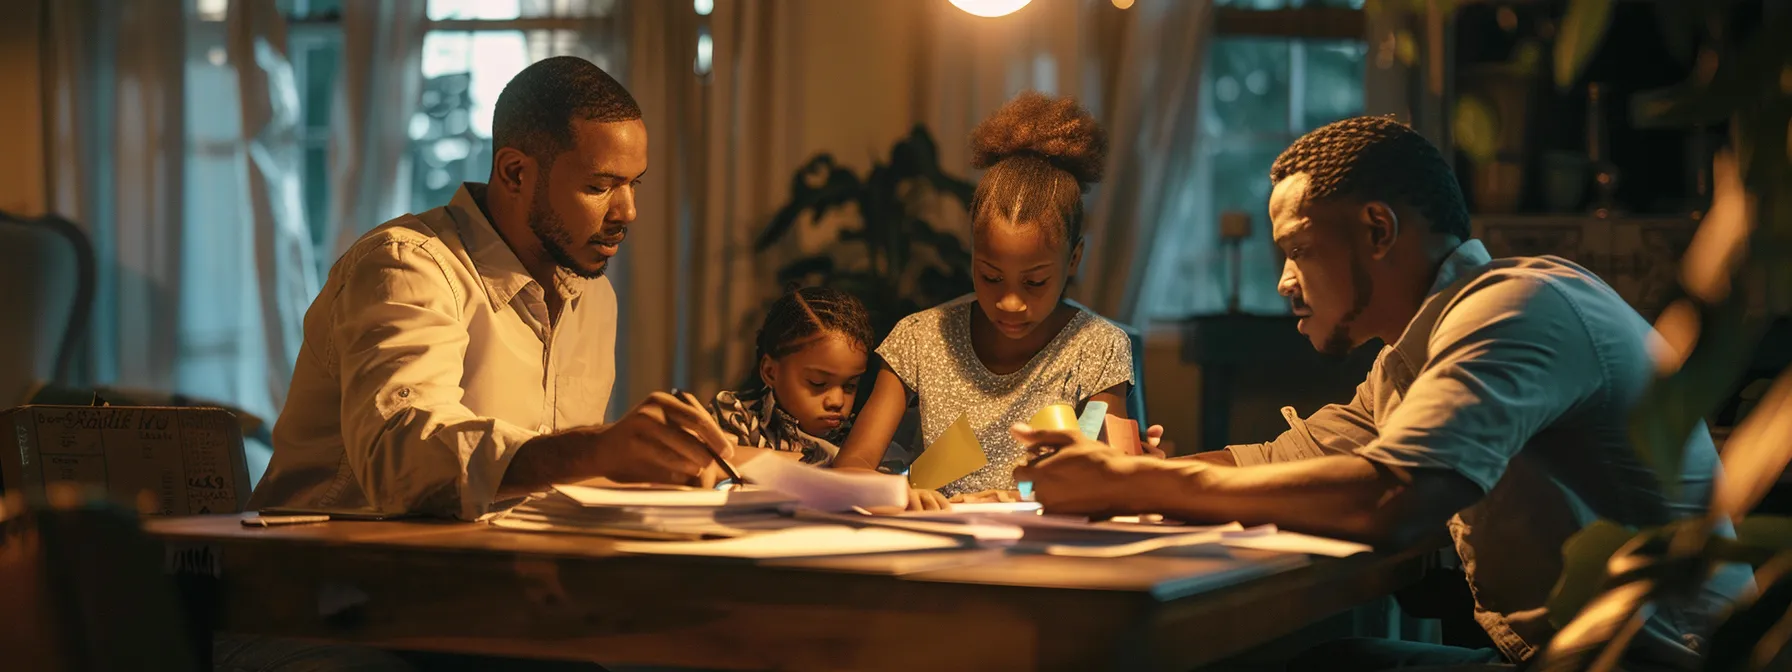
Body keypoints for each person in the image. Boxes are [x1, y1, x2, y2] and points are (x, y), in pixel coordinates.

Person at [1009, 116, 1752, 671]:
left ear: (1376, 229)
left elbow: (1393, 497)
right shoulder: (1410, 360)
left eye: (1298, 250)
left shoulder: (1517, 307)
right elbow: (1281, 460)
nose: (1283, 282)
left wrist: (1142, 480)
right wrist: (1117, 473)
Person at [832, 92, 1138, 508]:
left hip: (1045, 557)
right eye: (991, 277)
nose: (1010, 303)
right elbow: (850, 471)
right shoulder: (920, 339)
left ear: (1073, 260)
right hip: (934, 548)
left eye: (1034, 282)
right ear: (972, 254)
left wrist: (1010, 498)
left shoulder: (1097, 348)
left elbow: (1112, 478)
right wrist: (898, 493)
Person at [708, 287, 875, 466]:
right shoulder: (736, 415)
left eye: (850, 386)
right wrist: (825, 460)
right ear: (770, 372)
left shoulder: (861, 436)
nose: (837, 401)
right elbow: (712, 459)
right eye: (817, 383)